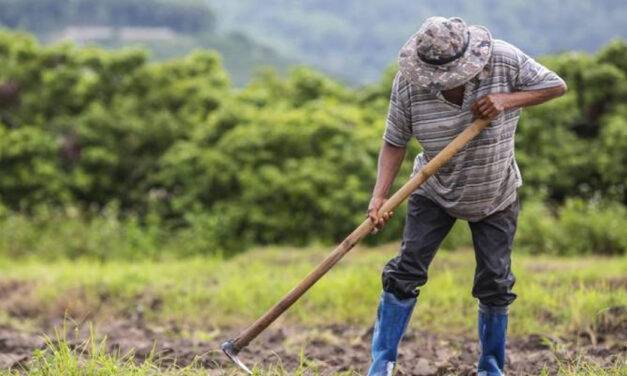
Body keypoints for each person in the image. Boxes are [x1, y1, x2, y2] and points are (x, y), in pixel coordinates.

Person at [366, 16, 566, 376]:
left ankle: (491, 369)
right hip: (433, 190)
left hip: (495, 191)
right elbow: (394, 141)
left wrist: (507, 99)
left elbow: (556, 86)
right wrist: (379, 198)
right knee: (405, 272)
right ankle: (381, 365)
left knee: (495, 281)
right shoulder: (409, 86)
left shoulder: (503, 60)